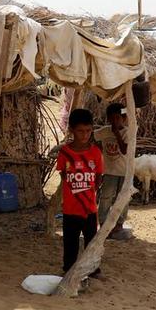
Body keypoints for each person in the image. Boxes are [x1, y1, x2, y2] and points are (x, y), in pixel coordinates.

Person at [56, 108, 103, 274]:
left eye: (88, 131)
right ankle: (69, 270)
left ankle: (92, 269)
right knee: (70, 243)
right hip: (70, 209)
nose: (85, 135)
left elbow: (98, 177)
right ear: (71, 131)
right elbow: (63, 174)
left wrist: (87, 193)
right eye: (80, 131)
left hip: (90, 208)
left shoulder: (96, 153)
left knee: (91, 242)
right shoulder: (64, 153)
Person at [94, 103, 130, 239]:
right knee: (106, 197)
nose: (115, 121)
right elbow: (92, 137)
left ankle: (119, 224)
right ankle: (103, 222)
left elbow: (124, 150)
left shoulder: (128, 133)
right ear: (108, 119)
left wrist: (117, 134)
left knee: (123, 199)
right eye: (112, 118)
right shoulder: (104, 131)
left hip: (125, 172)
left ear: (124, 118)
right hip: (109, 171)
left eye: (117, 118)